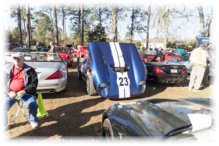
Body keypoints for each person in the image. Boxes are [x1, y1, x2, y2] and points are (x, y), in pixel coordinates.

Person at [5, 53, 38, 129]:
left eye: (18, 58)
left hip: (26, 93)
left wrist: (24, 91)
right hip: (11, 93)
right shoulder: (7, 70)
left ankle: (33, 120)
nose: (16, 60)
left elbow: (34, 83)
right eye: (14, 58)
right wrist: (9, 91)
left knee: (33, 104)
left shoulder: (30, 70)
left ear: (23, 60)